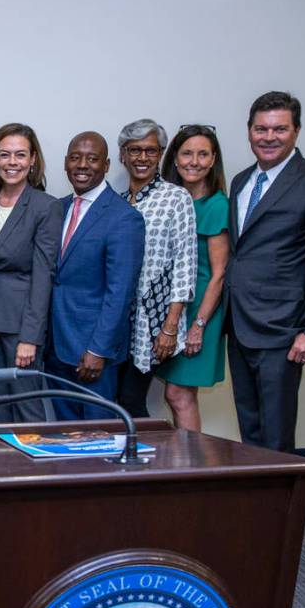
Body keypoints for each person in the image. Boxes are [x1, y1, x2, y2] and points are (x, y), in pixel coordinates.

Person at [225, 91, 305, 452]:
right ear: (249, 131)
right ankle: (254, 501)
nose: (268, 137)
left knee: (276, 434)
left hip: (284, 330)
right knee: (250, 426)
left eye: (279, 129)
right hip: (239, 324)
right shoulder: (241, 181)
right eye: (260, 129)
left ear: (296, 131)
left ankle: (280, 508)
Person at [45, 132, 145, 419]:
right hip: (56, 348)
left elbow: (121, 292)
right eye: (75, 157)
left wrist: (98, 350)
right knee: (66, 436)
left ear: (106, 164)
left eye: (92, 159)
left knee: (98, 439)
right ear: (65, 163)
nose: (82, 165)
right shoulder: (58, 208)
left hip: (93, 353)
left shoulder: (123, 217)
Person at [0, 123, 60, 424]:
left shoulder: (45, 207)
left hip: (20, 324)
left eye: (20, 155)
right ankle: (3, 469)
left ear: (33, 159)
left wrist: (30, 338)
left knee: (27, 405)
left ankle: (35, 471)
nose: (13, 162)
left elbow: (43, 275)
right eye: (5, 155)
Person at [115, 119, 196, 418]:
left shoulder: (176, 198)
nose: (142, 158)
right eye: (135, 150)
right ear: (123, 154)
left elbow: (186, 263)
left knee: (131, 401)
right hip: (122, 320)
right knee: (117, 399)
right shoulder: (119, 202)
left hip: (154, 320)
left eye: (150, 150)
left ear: (161, 154)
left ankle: (148, 463)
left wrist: (170, 327)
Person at [156, 126, 231, 430]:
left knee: (178, 394)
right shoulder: (171, 201)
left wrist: (198, 326)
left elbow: (219, 274)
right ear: (174, 158)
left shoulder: (216, 205)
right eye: (187, 153)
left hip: (201, 309)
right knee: (173, 393)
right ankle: (185, 465)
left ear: (213, 160)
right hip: (173, 306)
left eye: (203, 154)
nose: (194, 161)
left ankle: (192, 469)